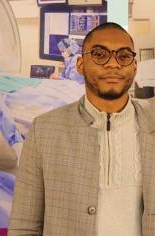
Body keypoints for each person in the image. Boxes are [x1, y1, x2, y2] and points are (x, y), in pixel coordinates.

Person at [8, 22, 155, 235]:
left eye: (123, 56)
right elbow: (24, 225)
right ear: (80, 64)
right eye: (99, 54)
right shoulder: (45, 131)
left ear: (134, 66)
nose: (113, 64)